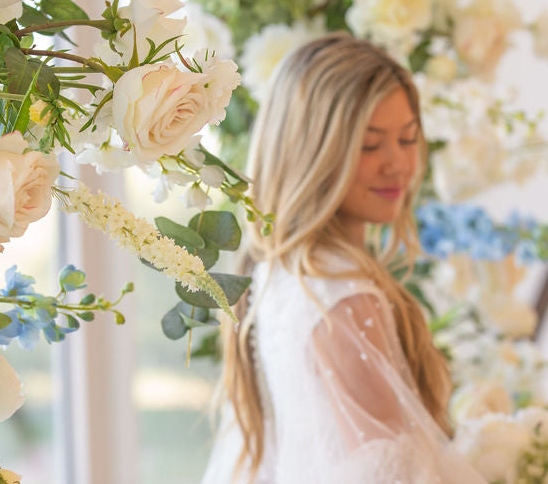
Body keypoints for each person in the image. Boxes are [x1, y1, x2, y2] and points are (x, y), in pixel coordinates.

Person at [201, 34, 485, 484]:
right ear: (312, 152)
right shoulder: (341, 297)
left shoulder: (281, 271)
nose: (398, 165)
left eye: (408, 138)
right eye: (370, 145)